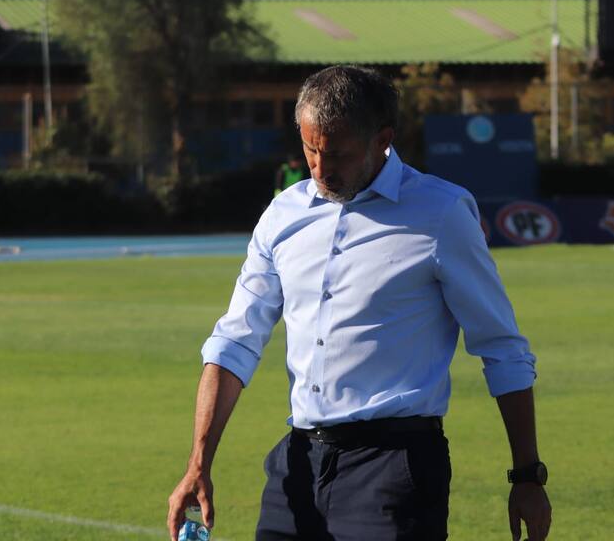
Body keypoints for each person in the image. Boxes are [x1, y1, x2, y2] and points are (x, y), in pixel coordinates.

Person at [168, 66, 552, 541]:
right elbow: (234, 343)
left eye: (338, 155)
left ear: (383, 140)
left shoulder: (442, 213)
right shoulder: (282, 215)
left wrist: (527, 475)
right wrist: (198, 463)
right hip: (298, 466)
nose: (321, 170)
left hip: (396, 468)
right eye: (310, 150)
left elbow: (502, 349)